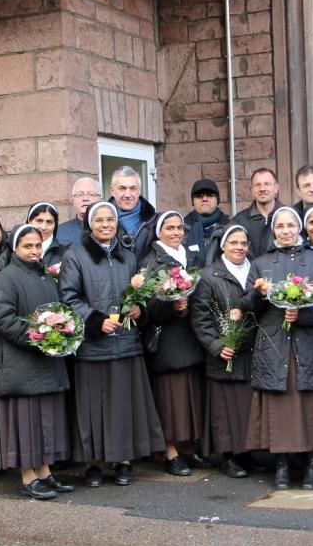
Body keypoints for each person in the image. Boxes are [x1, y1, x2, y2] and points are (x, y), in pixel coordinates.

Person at [59, 201, 165, 487]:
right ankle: (93, 462)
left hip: (126, 342)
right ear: (90, 224)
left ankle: (123, 460)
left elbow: (140, 294)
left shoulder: (128, 256)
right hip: (93, 346)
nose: (105, 225)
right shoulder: (75, 255)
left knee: (122, 406)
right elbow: (68, 298)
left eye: (110, 219)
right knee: (92, 408)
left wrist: (140, 310)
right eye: (99, 220)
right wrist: (96, 321)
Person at [238, 206, 313, 491]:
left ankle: (312, 464)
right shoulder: (261, 263)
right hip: (274, 344)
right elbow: (246, 305)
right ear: (273, 230)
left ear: (299, 228)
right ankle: (282, 464)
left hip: (309, 342)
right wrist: (259, 294)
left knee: (311, 404)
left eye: (291, 226)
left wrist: (305, 315)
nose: (286, 231)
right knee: (279, 405)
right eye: (280, 226)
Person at [0, 225, 74, 500]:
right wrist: (39, 336)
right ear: (15, 249)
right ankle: (28, 477)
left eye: (38, 245)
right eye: (28, 246)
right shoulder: (5, 279)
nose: (35, 251)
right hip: (20, 363)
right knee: (25, 423)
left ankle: (45, 472)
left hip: (45, 361)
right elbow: (1, 319)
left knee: (44, 420)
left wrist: (61, 331)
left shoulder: (45, 276)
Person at [140, 210, 207, 476]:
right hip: (168, 339)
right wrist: (172, 305)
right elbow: (147, 307)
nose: (177, 232)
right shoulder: (152, 261)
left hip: (191, 335)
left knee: (191, 396)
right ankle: (170, 452)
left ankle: (188, 448)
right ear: (159, 232)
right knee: (171, 400)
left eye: (179, 228)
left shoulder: (190, 257)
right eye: (170, 228)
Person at [190, 225, 257, 478]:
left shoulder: (256, 271)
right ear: (223, 246)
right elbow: (200, 317)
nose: (239, 247)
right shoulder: (208, 276)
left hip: (250, 351)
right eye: (233, 242)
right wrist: (217, 345)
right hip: (223, 353)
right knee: (226, 409)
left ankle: (246, 453)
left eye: (243, 243)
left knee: (247, 406)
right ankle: (229, 457)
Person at [232, 167, 281, 258]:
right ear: (252, 190)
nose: (262, 189)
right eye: (257, 185)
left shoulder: (289, 217)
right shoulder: (239, 221)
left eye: (267, 184)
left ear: (276, 188)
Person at [109, 166, 157, 251]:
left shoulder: (154, 221)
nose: (127, 195)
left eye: (133, 188)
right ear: (112, 191)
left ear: (139, 191)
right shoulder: (100, 221)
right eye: (122, 188)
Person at [185, 178, 228, 262]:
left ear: (217, 200)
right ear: (193, 201)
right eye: (199, 196)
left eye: (209, 195)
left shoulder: (229, 228)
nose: (204, 199)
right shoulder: (181, 229)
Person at [55, 177, 102, 247]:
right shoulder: (60, 232)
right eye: (80, 195)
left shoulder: (111, 229)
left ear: (100, 199)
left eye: (91, 194)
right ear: (72, 200)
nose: (85, 198)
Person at [26, 202, 66, 267]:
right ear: (29, 221)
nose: (44, 227)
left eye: (49, 222)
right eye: (39, 221)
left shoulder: (65, 252)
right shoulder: (17, 249)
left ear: (55, 224)